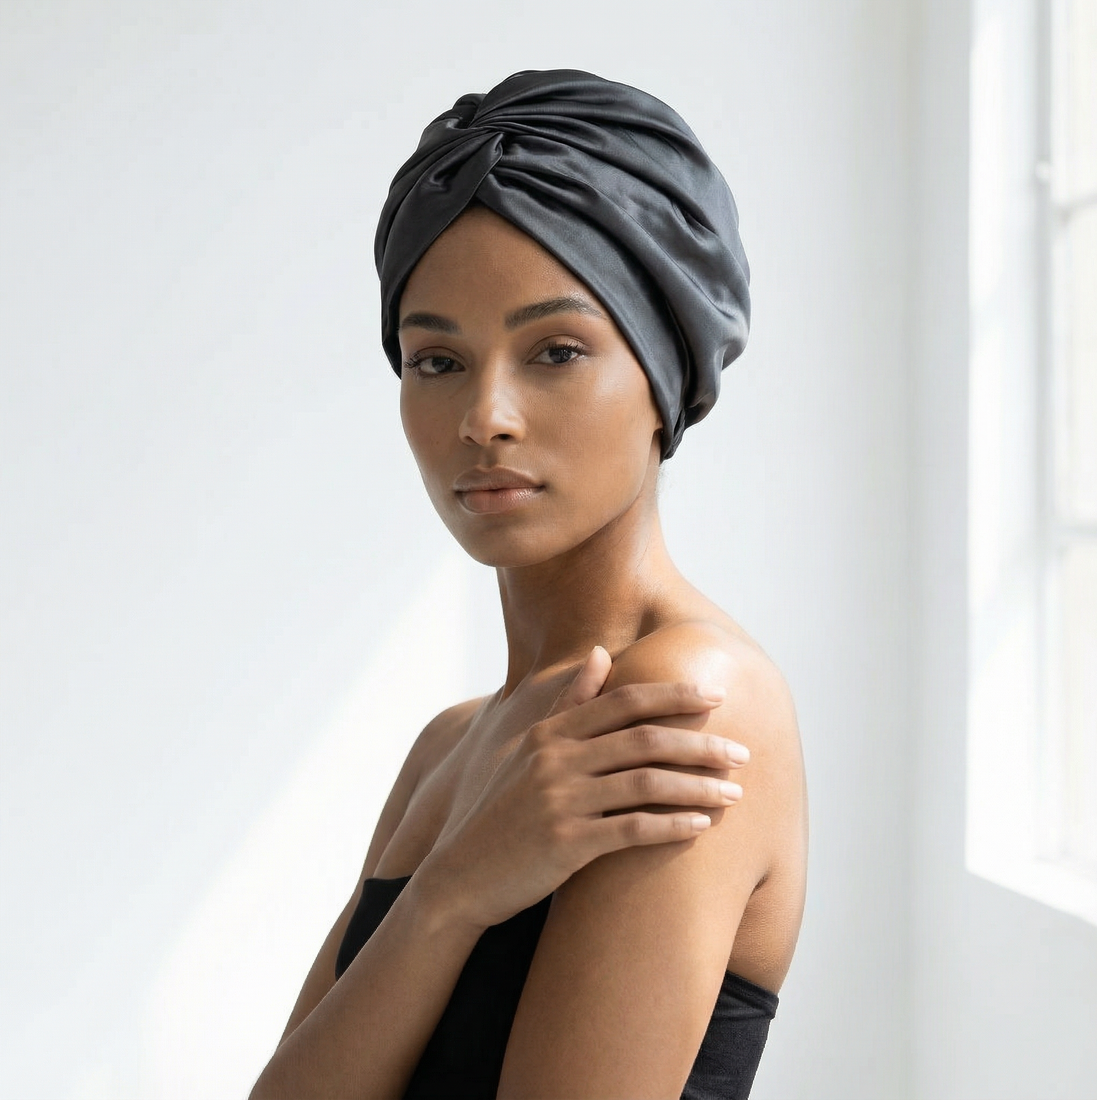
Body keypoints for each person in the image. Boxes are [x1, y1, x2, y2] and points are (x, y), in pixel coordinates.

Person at [251, 69, 807, 1100]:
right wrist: (450, 892)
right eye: (435, 361)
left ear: (664, 371)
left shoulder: (688, 696)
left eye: (554, 350)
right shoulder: (450, 747)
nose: (484, 418)